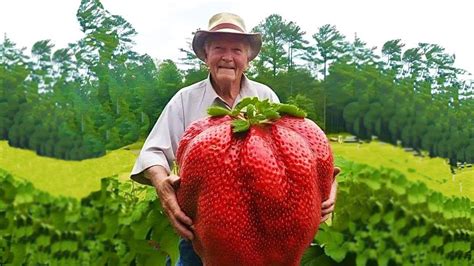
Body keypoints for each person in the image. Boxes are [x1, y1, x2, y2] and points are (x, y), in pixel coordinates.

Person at [130, 12, 339, 266]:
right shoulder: (185, 100)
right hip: (201, 234)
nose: (228, 57)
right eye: (219, 48)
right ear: (206, 56)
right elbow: (153, 152)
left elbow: (295, 151)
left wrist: (325, 184)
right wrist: (162, 185)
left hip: (266, 236)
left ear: (247, 59)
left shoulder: (265, 98)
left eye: (237, 50)